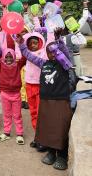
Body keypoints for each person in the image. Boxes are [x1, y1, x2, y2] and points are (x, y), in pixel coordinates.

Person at [17, 33, 76, 171]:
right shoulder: (43, 63)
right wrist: (20, 44)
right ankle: (51, 153)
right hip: (46, 101)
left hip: (61, 101)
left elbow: (66, 52)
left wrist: (59, 39)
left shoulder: (64, 65)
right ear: (47, 54)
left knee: (61, 128)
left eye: (56, 51)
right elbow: (28, 54)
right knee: (48, 128)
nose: (53, 55)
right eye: (50, 52)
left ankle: (61, 157)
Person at [0, 44, 26, 145]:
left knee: (17, 115)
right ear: (3, 57)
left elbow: (24, 57)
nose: (9, 59)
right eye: (6, 57)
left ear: (14, 57)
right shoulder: (0, 65)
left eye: (11, 57)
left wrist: (21, 44)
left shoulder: (17, 65)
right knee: (7, 115)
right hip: (5, 94)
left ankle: (19, 134)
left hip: (16, 95)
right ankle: (7, 132)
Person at [22, 31, 49, 151]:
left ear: (40, 43)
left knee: (40, 114)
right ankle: (37, 137)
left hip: (40, 86)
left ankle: (44, 139)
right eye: (31, 43)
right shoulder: (27, 54)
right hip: (29, 85)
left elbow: (50, 39)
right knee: (33, 112)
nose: (33, 45)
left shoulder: (43, 53)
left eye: (35, 43)